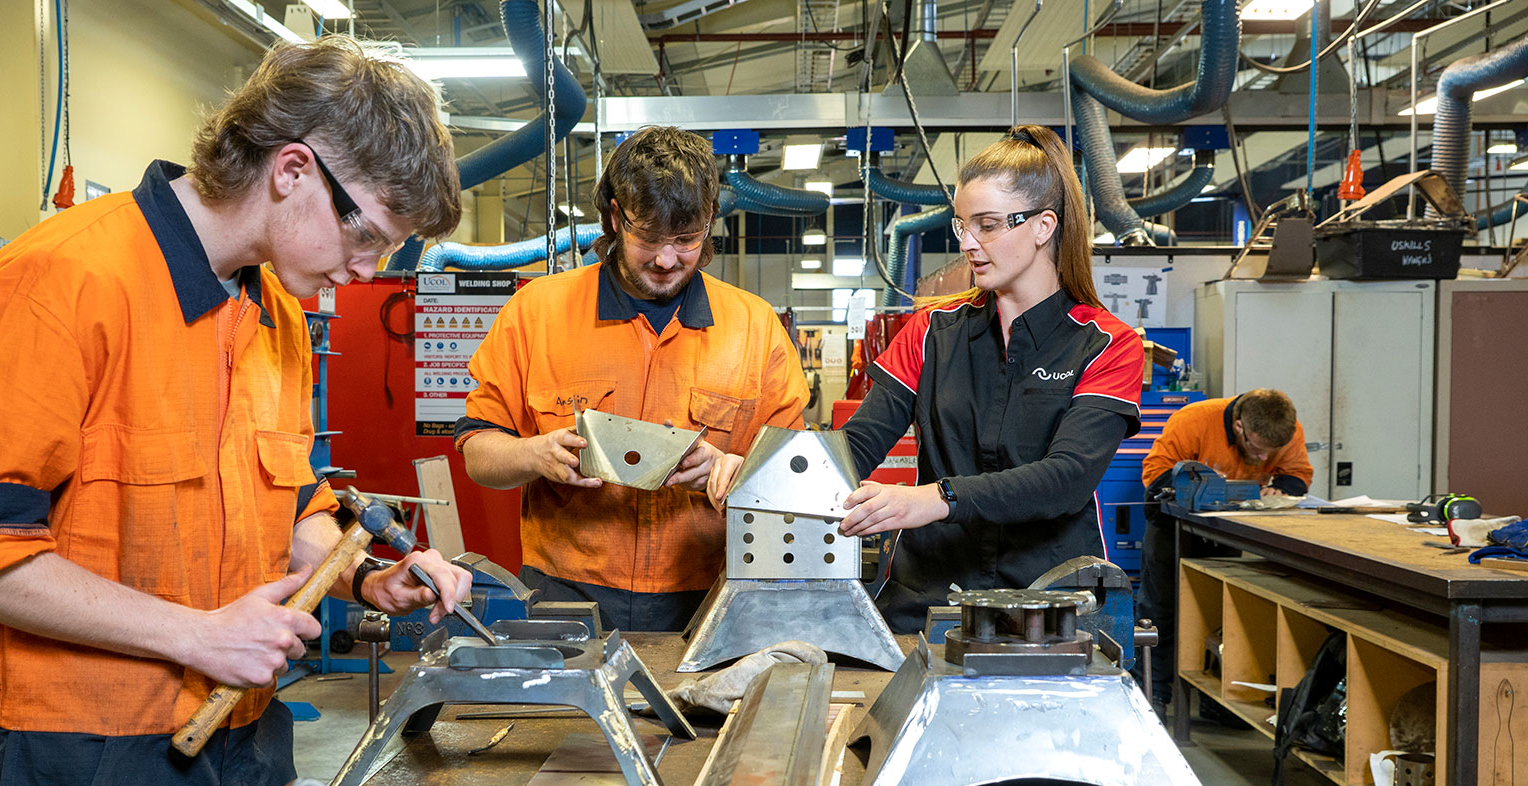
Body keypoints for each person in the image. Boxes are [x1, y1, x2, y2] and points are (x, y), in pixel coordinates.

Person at [0, 38, 472, 786]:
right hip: (84, 779)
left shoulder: (268, 312)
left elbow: (291, 503)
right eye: (370, 234)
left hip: (247, 756)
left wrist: (359, 575)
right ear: (294, 171)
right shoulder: (63, 281)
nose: (369, 273)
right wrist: (194, 635)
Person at [712, 125, 1144, 632]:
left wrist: (936, 498)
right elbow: (853, 447)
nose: (969, 244)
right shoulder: (930, 332)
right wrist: (754, 470)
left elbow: (1067, 479)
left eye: (987, 225)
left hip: (1050, 609)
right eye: (962, 226)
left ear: (1043, 226)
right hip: (930, 604)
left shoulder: (1106, 343)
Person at [456, 126, 808, 632]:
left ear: (709, 222)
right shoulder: (536, 313)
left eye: (686, 240)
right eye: (649, 238)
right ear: (616, 217)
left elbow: (795, 478)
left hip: (709, 594)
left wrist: (733, 467)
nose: (667, 260)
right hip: (563, 592)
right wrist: (536, 454)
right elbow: (478, 452)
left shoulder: (755, 329)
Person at [1137, 389, 1313, 712]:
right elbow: (1155, 474)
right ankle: (1154, 694)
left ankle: (1216, 701)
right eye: (1257, 450)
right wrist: (1195, 483)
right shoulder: (1192, 421)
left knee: (1222, 613)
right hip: (1172, 524)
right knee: (1160, 609)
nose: (1263, 460)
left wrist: (1282, 487)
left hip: (1227, 529)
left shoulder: (1286, 432)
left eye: (1269, 454)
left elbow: (1298, 476)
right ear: (1239, 427)